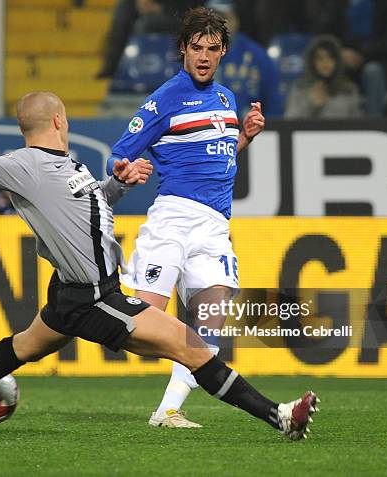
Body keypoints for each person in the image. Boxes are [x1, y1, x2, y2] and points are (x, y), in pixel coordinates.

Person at [0, 93, 318, 440]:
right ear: (58, 120)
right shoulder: (27, 166)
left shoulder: (67, 165)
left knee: (23, 347)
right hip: (95, 299)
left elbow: (91, 208)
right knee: (191, 347)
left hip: (73, 293)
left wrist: (119, 184)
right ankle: (280, 417)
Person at [107, 7, 267, 428]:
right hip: (173, 219)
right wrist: (123, 171)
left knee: (212, 314)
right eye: (196, 47)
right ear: (183, 49)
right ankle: (74, 320)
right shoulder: (164, 98)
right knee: (141, 325)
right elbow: (119, 152)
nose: (204, 56)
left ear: (223, 52)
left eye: (212, 49)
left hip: (215, 224)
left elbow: (222, 156)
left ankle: (169, 409)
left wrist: (245, 135)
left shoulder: (226, 99)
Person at [209, 0, 283, 117]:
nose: (218, 26)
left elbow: (273, 102)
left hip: (248, 128)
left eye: (224, 18)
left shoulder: (257, 56)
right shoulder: (191, 55)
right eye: (212, 20)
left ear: (235, 21)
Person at [285, 35, 362, 119]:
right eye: (320, 58)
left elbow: (358, 124)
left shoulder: (348, 90)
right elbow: (289, 122)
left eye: (330, 58)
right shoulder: (300, 88)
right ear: (312, 62)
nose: (325, 62)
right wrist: (311, 104)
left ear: (337, 61)